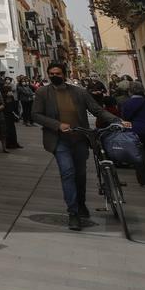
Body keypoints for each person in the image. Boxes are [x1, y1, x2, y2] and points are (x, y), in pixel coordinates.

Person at [31, 62, 130, 230]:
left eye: (58, 73)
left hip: (80, 138)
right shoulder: (42, 93)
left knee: (80, 174)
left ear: (64, 74)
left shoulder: (79, 92)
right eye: (52, 73)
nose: (55, 76)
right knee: (67, 172)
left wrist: (117, 120)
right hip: (58, 139)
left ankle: (81, 203)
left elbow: (97, 110)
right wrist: (57, 125)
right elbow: (35, 114)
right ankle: (73, 212)